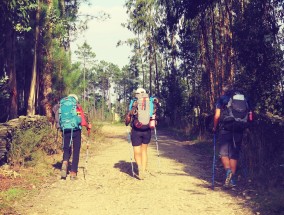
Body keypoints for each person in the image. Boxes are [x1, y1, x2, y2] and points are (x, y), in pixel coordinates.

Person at [213, 84, 250, 188]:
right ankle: (232, 181)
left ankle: (228, 172)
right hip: (240, 128)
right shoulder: (244, 99)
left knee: (223, 154)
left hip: (226, 128)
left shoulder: (222, 99)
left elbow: (217, 116)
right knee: (234, 154)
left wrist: (214, 128)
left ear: (224, 92)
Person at [53, 94, 90, 180]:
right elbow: (83, 121)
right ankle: (73, 173)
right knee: (76, 150)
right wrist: (88, 126)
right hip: (76, 130)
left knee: (66, 148)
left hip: (65, 129)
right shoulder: (77, 106)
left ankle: (65, 161)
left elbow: (54, 110)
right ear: (75, 99)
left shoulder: (61, 105)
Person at [125, 88, 155, 180]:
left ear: (136, 94)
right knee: (144, 151)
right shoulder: (150, 101)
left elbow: (130, 114)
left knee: (137, 151)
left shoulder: (134, 102)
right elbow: (152, 114)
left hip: (136, 130)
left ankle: (139, 167)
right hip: (147, 130)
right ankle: (144, 170)